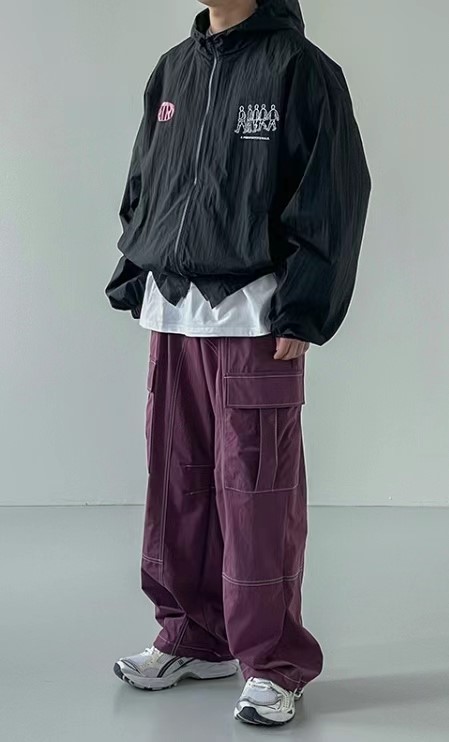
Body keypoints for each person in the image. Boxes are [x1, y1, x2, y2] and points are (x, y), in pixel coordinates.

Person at [105, 0, 371, 727]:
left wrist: (305, 306)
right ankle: (194, 635)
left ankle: (274, 664)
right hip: (173, 311)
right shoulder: (173, 70)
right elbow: (145, 181)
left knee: (257, 494)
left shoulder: (300, 70)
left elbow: (334, 193)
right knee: (177, 486)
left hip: (254, 316)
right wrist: (135, 269)